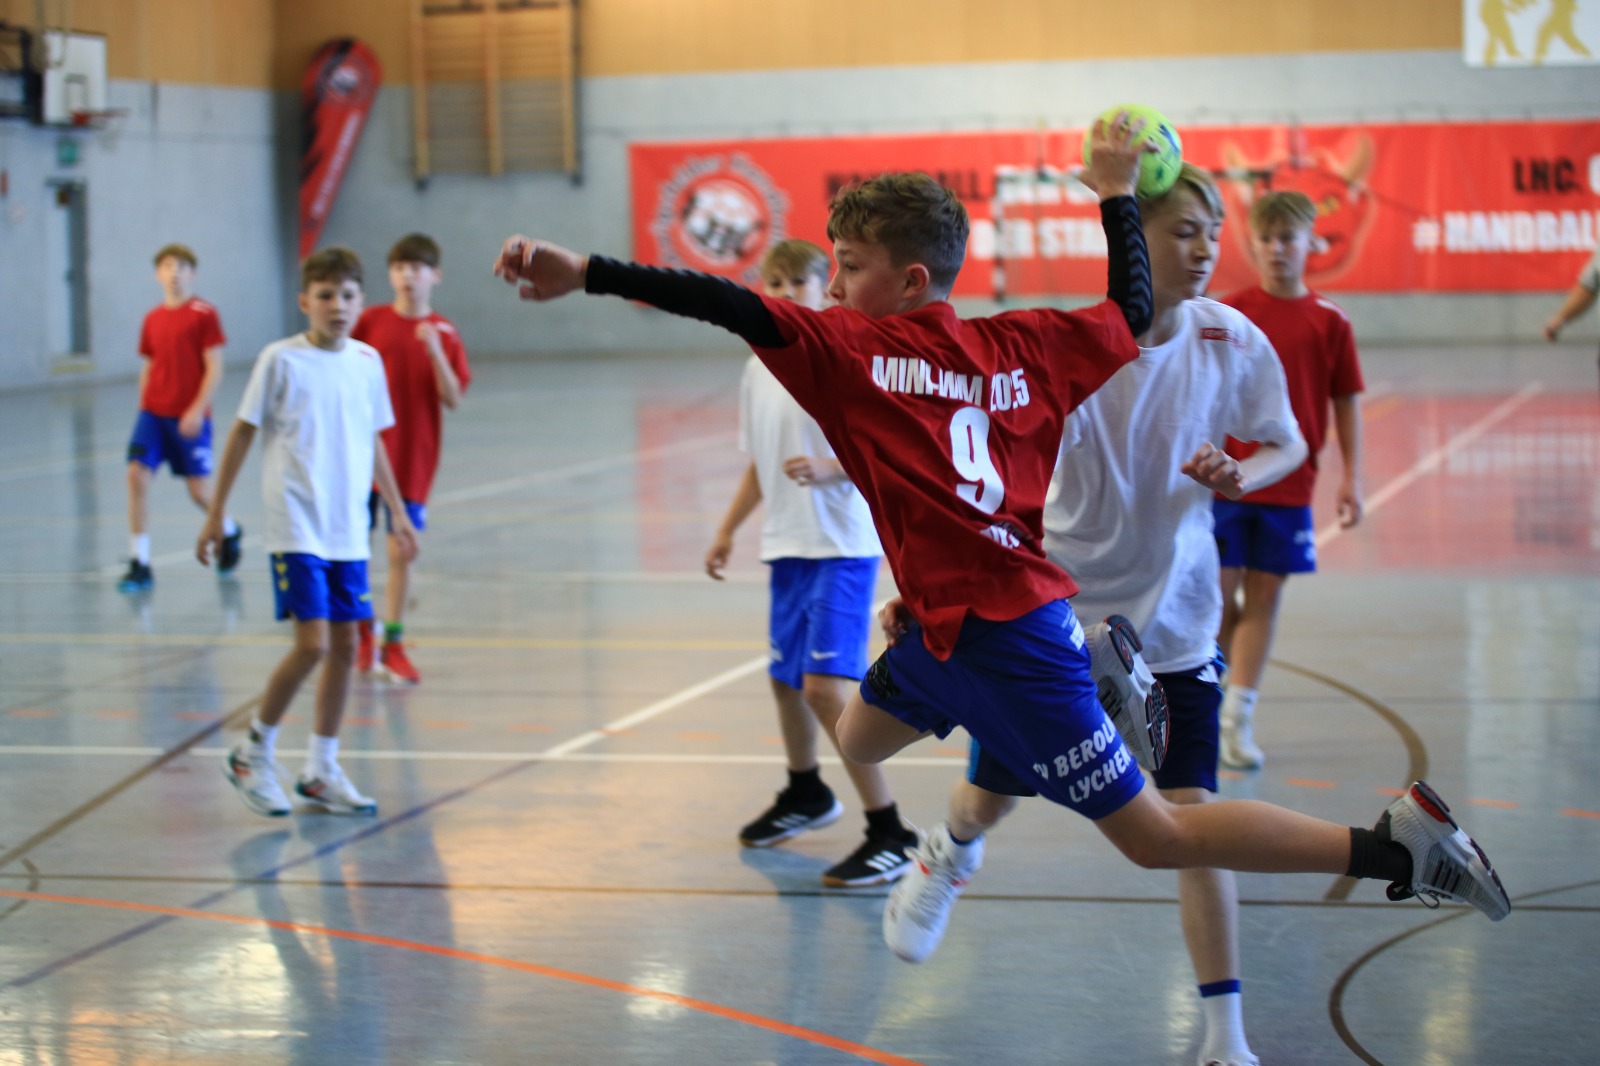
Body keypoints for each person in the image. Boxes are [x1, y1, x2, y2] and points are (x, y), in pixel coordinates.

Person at [491, 117, 1509, 957]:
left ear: (911, 279)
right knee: (857, 737)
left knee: (1159, 837)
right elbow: (1130, 307)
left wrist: (587, 272)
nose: (832, 286)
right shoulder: (1025, 342)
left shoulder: (847, 350)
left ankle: (1398, 847)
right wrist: (1115, 195)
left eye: (849, 267)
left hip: (1011, 638)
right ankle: (1082, 696)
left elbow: (719, 301)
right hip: (950, 622)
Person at [878, 164, 1312, 1066]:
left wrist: (1245, 473)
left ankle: (1225, 1039)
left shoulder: (1230, 337)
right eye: (1182, 230)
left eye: (1212, 230)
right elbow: (987, 496)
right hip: (1056, 630)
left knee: (1192, 822)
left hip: (1176, 632)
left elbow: (1286, 440)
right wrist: (927, 594)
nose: (1204, 248)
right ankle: (948, 850)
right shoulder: (1066, 353)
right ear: (1132, 240)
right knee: (990, 797)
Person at [704, 238, 917, 887]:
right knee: (785, 679)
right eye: (776, 282)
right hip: (788, 544)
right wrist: (727, 530)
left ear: (826, 289)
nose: (787, 292)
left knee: (825, 687)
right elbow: (760, 463)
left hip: (841, 546)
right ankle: (805, 790)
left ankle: (890, 829)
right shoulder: (757, 367)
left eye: (800, 281)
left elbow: (888, 444)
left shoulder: (841, 355)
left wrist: (832, 468)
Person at [201, 247, 417, 818]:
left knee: (345, 646)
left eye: (347, 296)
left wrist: (397, 512)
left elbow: (373, 440)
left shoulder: (367, 362)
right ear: (304, 302)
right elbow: (242, 433)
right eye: (325, 296)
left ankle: (321, 769)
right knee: (313, 644)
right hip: (295, 522)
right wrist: (216, 513)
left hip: (348, 528)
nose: (337, 306)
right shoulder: (280, 360)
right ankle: (252, 752)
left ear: (361, 301)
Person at [1213, 190, 1366, 770]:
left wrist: (1351, 478)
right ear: (1253, 245)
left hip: (1289, 486)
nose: (1277, 249)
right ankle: (1203, 706)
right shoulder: (1228, 314)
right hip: (1229, 482)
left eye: (1288, 239)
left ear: (1310, 245)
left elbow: (1346, 400)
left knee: (1266, 598)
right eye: (1267, 239)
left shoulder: (1330, 320)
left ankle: (1238, 717)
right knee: (1217, 597)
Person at [351, 233, 472, 685]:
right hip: (361, 456)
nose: (408, 276)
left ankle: (394, 642)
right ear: (390, 274)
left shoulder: (444, 332)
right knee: (353, 549)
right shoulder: (369, 322)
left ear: (435, 275)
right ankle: (363, 632)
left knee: (401, 551)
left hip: (412, 462)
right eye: (400, 267)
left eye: (417, 268)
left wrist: (435, 352)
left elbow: (453, 397)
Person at [120, 243, 242, 592]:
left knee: (199, 492)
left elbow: (214, 367)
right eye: (168, 266)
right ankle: (140, 562)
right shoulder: (152, 318)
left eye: (182, 267)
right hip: (152, 414)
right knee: (136, 476)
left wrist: (196, 409)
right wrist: (144, 402)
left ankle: (229, 530)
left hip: (188, 417)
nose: (174, 273)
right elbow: (149, 364)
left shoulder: (204, 314)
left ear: (192, 274)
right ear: (158, 274)